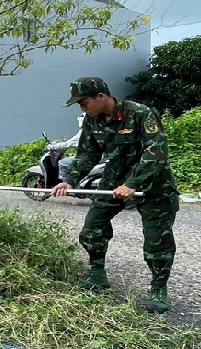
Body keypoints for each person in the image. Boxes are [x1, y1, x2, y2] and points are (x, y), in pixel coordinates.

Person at [50, 77, 178, 313]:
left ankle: (159, 287)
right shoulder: (92, 120)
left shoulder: (140, 113)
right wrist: (69, 181)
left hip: (153, 183)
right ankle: (97, 274)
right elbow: (87, 155)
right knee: (92, 227)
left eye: (84, 101)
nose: (82, 107)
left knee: (157, 239)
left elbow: (156, 151)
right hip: (114, 179)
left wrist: (133, 182)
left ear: (101, 96)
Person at [46, 113, 86, 181]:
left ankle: (63, 184)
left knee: (62, 163)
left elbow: (67, 144)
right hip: (100, 157)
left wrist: (51, 147)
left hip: (87, 157)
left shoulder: (83, 132)